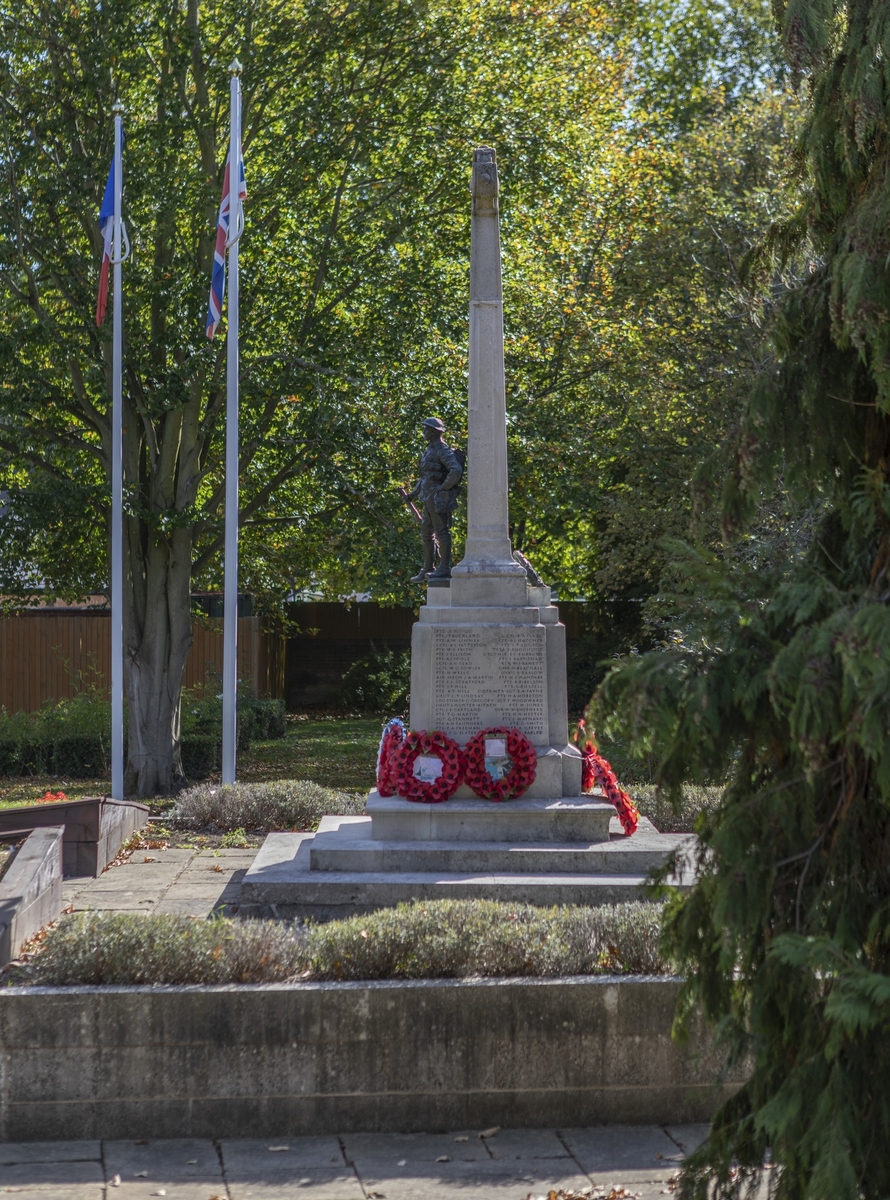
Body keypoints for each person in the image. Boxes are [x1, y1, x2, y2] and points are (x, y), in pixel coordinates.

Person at [403, 417, 463, 581]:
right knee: (426, 534)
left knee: (441, 532)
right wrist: (413, 494)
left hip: (437, 499)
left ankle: (444, 567)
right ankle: (428, 567)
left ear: (432, 431)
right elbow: (425, 477)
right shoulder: (429, 450)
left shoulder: (442, 450)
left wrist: (443, 487)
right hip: (427, 497)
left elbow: (455, 470)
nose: (424, 432)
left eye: (426, 429)